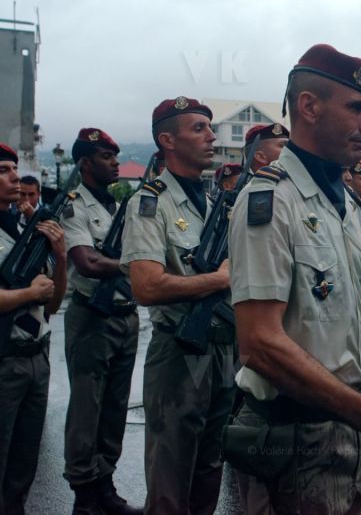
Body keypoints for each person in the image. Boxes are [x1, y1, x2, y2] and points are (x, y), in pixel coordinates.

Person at [228, 44, 361, 515]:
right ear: (309, 106)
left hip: (344, 424)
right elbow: (259, 343)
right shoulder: (271, 201)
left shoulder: (344, 203)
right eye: (357, 107)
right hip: (296, 438)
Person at [120, 96, 237, 515]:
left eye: (211, 127)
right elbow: (146, 286)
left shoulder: (213, 202)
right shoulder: (150, 202)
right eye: (199, 129)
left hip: (223, 349)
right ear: (167, 140)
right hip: (179, 352)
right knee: (171, 478)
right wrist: (218, 279)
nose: (211, 136)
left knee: (210, 469)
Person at [60, 128, 141, 515]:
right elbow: (87, 262)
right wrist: (134, 267)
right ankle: (84, 492)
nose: (114, 162)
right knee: (87, 409)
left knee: (115, 408)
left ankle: (105, 482)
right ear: (84, 163)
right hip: (92, 317)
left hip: (125, 316)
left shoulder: (119, 205)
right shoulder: (74, 206)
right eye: (106, 156)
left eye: (115, 155)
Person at [0, 142, 67, 514]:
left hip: (36, 357)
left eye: (14, 168)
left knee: (24, 461)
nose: (15, 177)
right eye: (4, 170)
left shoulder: (25, 228)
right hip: (4, 359)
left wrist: (58, 257)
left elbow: (52, 304)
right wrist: (28, 292)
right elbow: (33, 294)